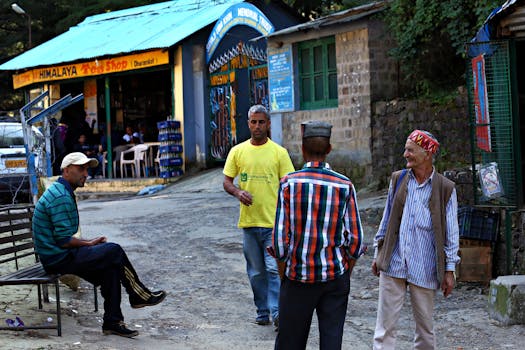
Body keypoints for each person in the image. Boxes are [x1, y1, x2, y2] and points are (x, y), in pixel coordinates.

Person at [32, 152, 167, 338]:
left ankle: (112, 322)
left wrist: (89, 244)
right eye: (81, 169)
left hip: (58, 255)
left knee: (110, 269)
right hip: (57, 258)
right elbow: (63, 241)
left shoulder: (62, 191)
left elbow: (63, 238)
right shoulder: (60, 196)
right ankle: (138, 294)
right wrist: (89, 243)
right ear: (66, 171)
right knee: (114, 251)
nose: (85, 174)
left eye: (86, 169)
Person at [268, 121, 364, 350]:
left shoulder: (289, 184)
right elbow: (356, 242)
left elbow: (280, 245)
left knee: (290, 343)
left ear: (302, 149)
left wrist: (286, 273)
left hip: (297, 278)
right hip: (333, 278)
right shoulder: (344, 185)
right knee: (332, 342)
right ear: (329, 149)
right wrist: (343, 272)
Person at [371, 130, 460, 349]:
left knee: (425, 330)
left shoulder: (445, 188)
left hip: (425, 266)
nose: (405, 154)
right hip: (394, 262)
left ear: (427, 153)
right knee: (384, 329)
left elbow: (451, 232)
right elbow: (387, 218)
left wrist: (449, 270)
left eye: (410, 150)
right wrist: (378, 253)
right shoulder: (398, 179)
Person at [223, 104, 295, 329]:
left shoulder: (279, 153)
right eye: (253, 122)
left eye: (261, 122)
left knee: (274, 270)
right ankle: (262, 311)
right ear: (248, 123)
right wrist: (237, 192)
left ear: (268, 124)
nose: (257, 126)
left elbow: (289, 185)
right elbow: (227, 181)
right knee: (255, 273)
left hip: (273, 224)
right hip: (249, 223)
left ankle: (277, 313)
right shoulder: (238, 151)